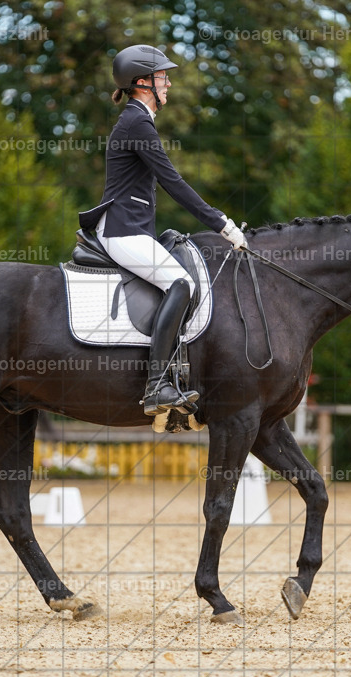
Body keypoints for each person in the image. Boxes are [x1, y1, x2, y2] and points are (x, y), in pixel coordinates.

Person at [79, 44, 247, 416]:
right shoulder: (136, 122)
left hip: (133, 229)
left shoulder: (139, 120)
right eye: (162, 77)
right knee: (180, 284)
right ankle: (156, 385)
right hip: (123, 232)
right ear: (142, 83)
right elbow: (173, 182)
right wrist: (222, 223)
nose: (168, 83)